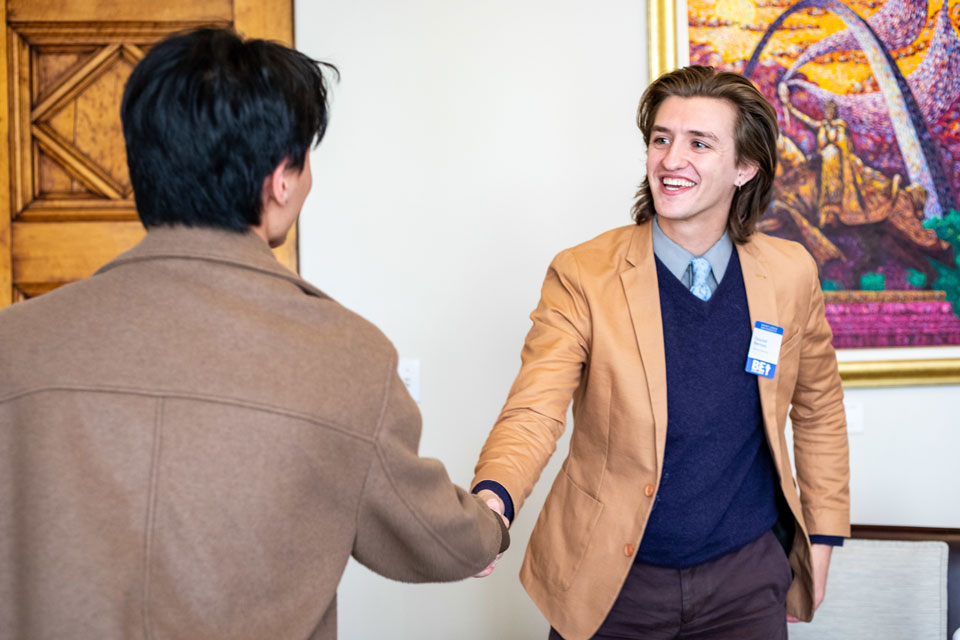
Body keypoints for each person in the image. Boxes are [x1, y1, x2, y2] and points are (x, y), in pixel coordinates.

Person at [0, 27, 507, 639]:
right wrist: (491, 525)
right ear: (280, 179)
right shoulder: (347, 358)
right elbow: (436, 537)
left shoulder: (13, 343)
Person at [472, 65, 849, 640]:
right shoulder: (583, 274)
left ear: (745, 167)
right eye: (661, 139)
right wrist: (492, 500)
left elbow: (819, 408)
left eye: (699, 143)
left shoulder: (790, 272)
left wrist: (822, 539)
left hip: (745, 581)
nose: (671, 160)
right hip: (611, 581)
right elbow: (535, 410)